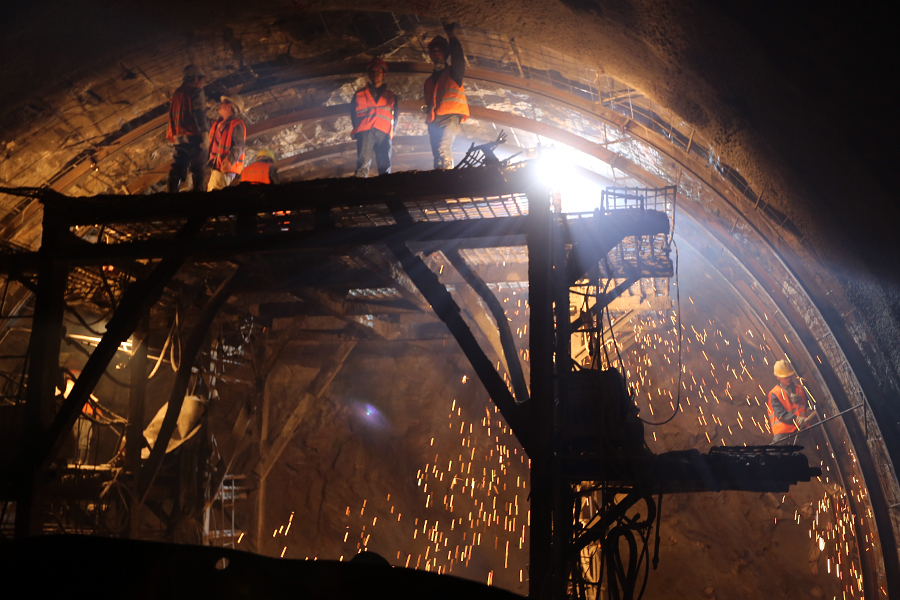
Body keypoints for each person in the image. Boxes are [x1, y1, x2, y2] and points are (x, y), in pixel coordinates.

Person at [424, 24, 469, 170]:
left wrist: (451, 36)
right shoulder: (428, 82)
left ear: (446, 53)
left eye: (440, 50)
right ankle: (438, 178)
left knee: (443, 148)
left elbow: (459, 60)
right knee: (437, 156)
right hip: (434, 121)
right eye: (433, 50)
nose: (436, 52)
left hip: (450, 117)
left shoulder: (454, 72)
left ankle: (449, 175)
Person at [351, 58, 398, 177]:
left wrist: (390, 133)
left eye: (378, 71)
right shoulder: (359, 94)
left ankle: (385, 187)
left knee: (384, 167)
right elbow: (353, 114)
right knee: (362, 165)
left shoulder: (391, 96)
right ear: (369, 75)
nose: (375, 73)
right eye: (373, 71)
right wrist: (359, 130)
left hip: (384, 132)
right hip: (365, 131)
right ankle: (359, 186)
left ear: (384, 74)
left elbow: (395, 116)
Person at [165, 64, 208, 193]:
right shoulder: (196, 91)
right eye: (202, 81)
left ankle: (171, 193)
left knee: (178, 165)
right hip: (194, 134)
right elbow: (199, 113)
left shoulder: (177, 93)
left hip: (179, 136)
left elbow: (172, 115)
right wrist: (205, 133)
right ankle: (198, 194)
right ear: (196, 79)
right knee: (198, 164)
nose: (203, 84)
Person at [207, 94, 246, 191]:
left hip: (225, 168)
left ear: (229, 106)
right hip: (217, 165)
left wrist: (229, 160)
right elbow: (203, 121)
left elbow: (239, 145)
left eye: (222, 103)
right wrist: (206, 106)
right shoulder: (218, 124)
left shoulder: (236, 124)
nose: (220, 105)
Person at [767, 359, 811, 444]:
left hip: (802, 428)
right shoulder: (775, 393)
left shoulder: (800, 389)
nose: (788, 379)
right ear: (778, 377)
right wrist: (796, 419)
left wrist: (808, 410)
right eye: (785, 377)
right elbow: (780, 414)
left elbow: (805, 406)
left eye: (790, 376)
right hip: (784, 432)